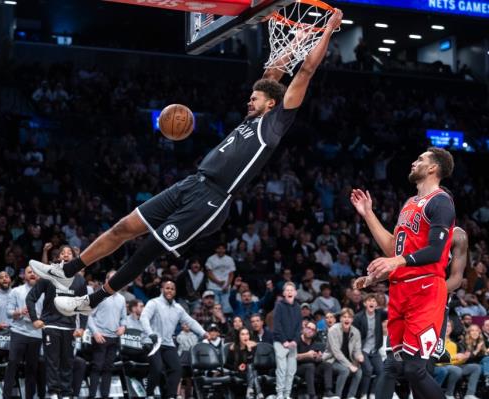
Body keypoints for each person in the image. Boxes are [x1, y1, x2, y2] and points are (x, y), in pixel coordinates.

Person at [28, 9, 346, 316]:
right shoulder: (252, 116)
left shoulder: (276, 123)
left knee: (146, 250)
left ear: (272, 103)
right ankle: (67, 271)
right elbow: (273, 72)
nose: (250, 98)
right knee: (124, 226)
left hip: (212, 201)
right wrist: (296, 40)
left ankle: (91, 301)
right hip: (193, 183)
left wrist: (327, 30)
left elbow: (304, 72)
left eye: (256, 98)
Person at [351, 147, 456, 398]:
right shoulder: (410, 204)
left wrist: (396, 262)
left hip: (426, 289)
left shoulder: (441, 201)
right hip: (400, 289)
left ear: (433, 168)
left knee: (415, 369)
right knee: (394, 365)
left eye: (420, 159)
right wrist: (368, 214)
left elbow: (435, 251)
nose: (413, 162)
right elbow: (392, 248)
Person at [356, 225, 468, 399]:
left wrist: (430, 291)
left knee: (420, 369)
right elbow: (399, 265)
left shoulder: (457, 235)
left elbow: (456, 278)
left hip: (432, 305)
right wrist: (373, 278)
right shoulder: (411, 228)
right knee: (391, 364)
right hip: (405, 303)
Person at [26, 245, 88, 399]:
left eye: (69, 253)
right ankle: (53, 392)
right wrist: (35, 319)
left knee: (68, 362)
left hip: (70, 328)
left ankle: (66, 394)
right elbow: (30, 298)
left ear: (73, 258)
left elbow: (85, 305)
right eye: (63, 253)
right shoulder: (49, 275)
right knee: (52, 362)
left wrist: (83, 328)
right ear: (59, 257)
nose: (66, 255)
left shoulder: (80, 280)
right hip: (51, 325)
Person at [140, 280, 209, 399]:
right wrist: (150, 333)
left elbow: (190, 321)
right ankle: (149, 394)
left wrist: (203, 332)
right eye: (167, 288)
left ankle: (171, 396)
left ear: (175, 291)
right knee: (157, 368)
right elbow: (144, 318)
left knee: (177, 368)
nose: (169, 291)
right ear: (162, 289)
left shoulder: (178, 308)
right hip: (152, 341)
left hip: (167, 343)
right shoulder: (153, 303)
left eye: (172, 289)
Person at [3, 265, 43, 399]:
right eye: (29, 272)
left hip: (36, 334)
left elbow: (48, 315)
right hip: (18, 331)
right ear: (24, 276)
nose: (32, 274)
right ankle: (6, 396)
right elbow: (8, 313)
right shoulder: (16, 291)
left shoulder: (44, 293)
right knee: (12, 363)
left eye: (35, 272)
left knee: (32, 368)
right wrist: (20, 312)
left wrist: (38, 317)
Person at [86, 270, 127, 399]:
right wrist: (95, 332)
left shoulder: (122, 298)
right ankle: (92, 396)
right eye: (112, 278)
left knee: (108, 368)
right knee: (97, 367)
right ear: (106, 280)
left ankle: (105, 396)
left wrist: (123, 327)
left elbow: (124, 318)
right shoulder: (100, 295)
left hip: (114, 338)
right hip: (100, 336)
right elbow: (88, 315)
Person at [322, 307, 364, 399]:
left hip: (347, 360)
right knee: (345, 370)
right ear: (340, 319)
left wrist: (359, 356)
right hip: (332, 360)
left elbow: (357, 349)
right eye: (344, 317)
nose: (347, 319)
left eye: (349, 317)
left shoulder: (356, 332)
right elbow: (336, 352)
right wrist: (350, 365)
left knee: (359, 371)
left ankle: (351, 396)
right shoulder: (333, 330)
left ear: (352, 320)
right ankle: (337, 395)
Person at [353, 293, 386, 399]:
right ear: (364, 303)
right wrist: (357, 352)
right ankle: (363, 394)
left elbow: (393, 313)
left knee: (381, 371)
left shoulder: (380, 314)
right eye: (369, 301)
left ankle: (372, 393)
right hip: (362, 349)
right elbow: (354, 336)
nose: (372, 302)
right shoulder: (358, 317)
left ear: (376, 304)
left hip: (375, 349)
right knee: (368, 369)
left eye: (374, 301)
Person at [272, 281, 301, 399]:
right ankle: (279, 393)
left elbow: (299, 326)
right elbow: (277, 325)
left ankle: (287, 394)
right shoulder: (279, 305)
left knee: (291, 370)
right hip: (280, 342)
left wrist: (295, 340)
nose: (289, 292)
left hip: (293, 343)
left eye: (291, 290)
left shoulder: (298, 306)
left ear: (295, 293)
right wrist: (284, 341)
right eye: (287, 290)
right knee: (282, 369)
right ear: (284, 293)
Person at [296, 320, 335, 399]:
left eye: (313, 330)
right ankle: (312, 395)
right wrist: (307, 355)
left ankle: (328, 392)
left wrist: (318, 357)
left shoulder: (315, 342)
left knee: (327, 365)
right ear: (304, 329)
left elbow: (317, 358)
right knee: (310, 366)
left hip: (312, 367)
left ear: (315, 333)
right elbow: (293, 357)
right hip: (298, 367)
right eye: (308, 328)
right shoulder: (297, 340)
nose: (310, 330)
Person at [225, 327, 263, 399]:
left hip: (250, 372)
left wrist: (249, 350)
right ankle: (258, 393)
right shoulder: (233, 348)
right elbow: (227, 365)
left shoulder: (253, 346)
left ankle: (250, 391)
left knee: (251, 367)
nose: (245, 336)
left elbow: (254, 363)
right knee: (252, 370)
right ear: (238, 336)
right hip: (238, 372)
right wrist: (237, 367)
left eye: (247, 334)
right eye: (242, 334)